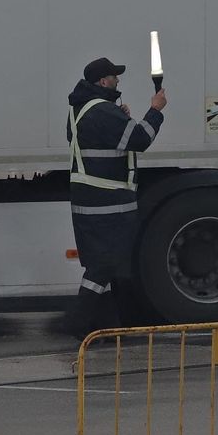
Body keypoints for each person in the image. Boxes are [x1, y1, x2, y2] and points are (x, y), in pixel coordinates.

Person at [62, 56, 167, 337]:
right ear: (102, 81)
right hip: (107, 204)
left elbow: (100, 139)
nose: (118, 80)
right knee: (103, 265)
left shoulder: (81, 110)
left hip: (92, 203)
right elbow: (140, 139)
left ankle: (108, 324)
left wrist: (120, 116)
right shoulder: (102, 112)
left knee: (108, 265)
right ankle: (80, 323)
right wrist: (155, 110)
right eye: (114, 76)